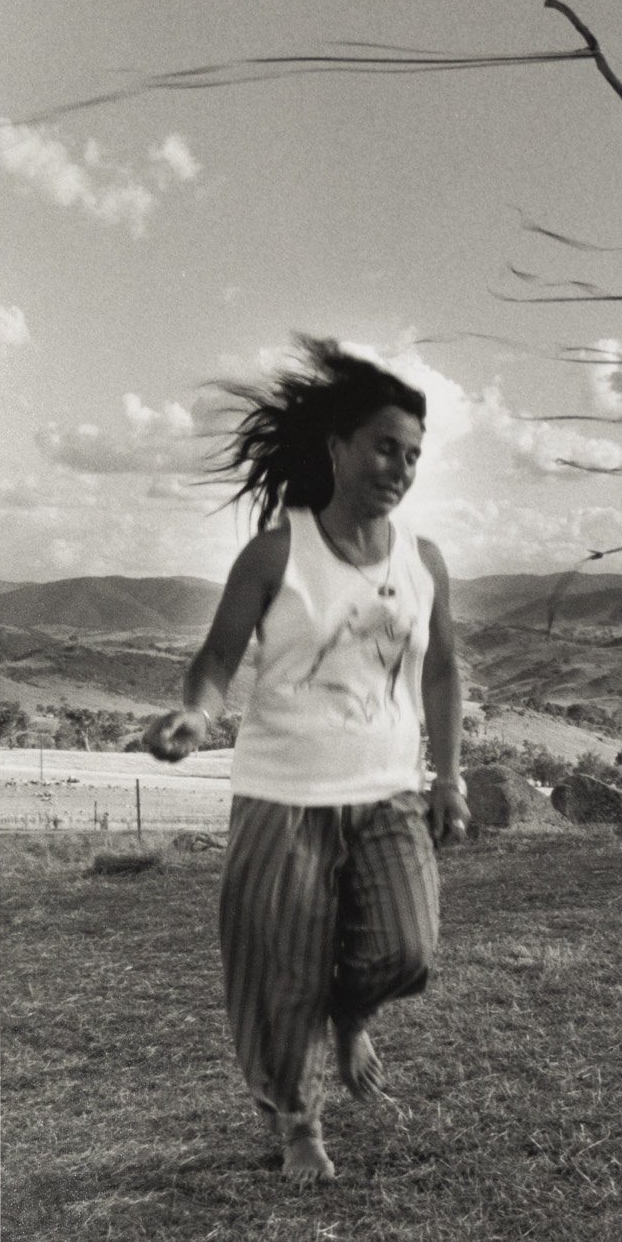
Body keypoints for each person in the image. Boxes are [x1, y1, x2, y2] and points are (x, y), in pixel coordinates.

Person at [144, 337, 470, 1183]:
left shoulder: (422, 561)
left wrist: (451, 775)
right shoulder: (277, 552)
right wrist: (196, 714)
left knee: (408, 948)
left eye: (411, 454)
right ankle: (297, 1123)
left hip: (389, 793)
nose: (398, 467)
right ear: (336, 448)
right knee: (277, 977)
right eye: (383, 447)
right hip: (280, 797)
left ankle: (352, 1012)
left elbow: (440, 669)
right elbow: (217, 659)